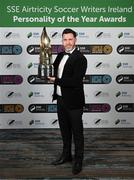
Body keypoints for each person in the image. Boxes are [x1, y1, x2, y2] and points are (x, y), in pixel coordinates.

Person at [48, 28, 87, 175]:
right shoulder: (60, 55)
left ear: (75, 40)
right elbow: (53, 71)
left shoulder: (81, 58)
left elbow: (75, 81)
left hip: (74, 102)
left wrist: (56, 80)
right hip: (60, 99)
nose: (68, 42)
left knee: (77, 133)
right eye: (65, 39)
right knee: (64, 131)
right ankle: (66, 155)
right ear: (62, 41)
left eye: (70, 39)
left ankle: (78, 160)